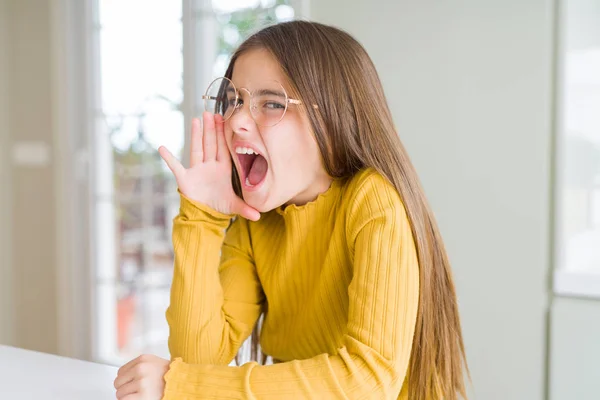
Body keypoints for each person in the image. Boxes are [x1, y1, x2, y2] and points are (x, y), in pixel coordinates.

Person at [114, 20, 469, 400]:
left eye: (271, 103)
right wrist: (201, 216)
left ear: (333, 119)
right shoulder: (256, 220)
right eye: (234, 101)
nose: (235, 121)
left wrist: (180, 384)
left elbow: (368, 380)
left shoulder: (372, 202)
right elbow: (198, 360)